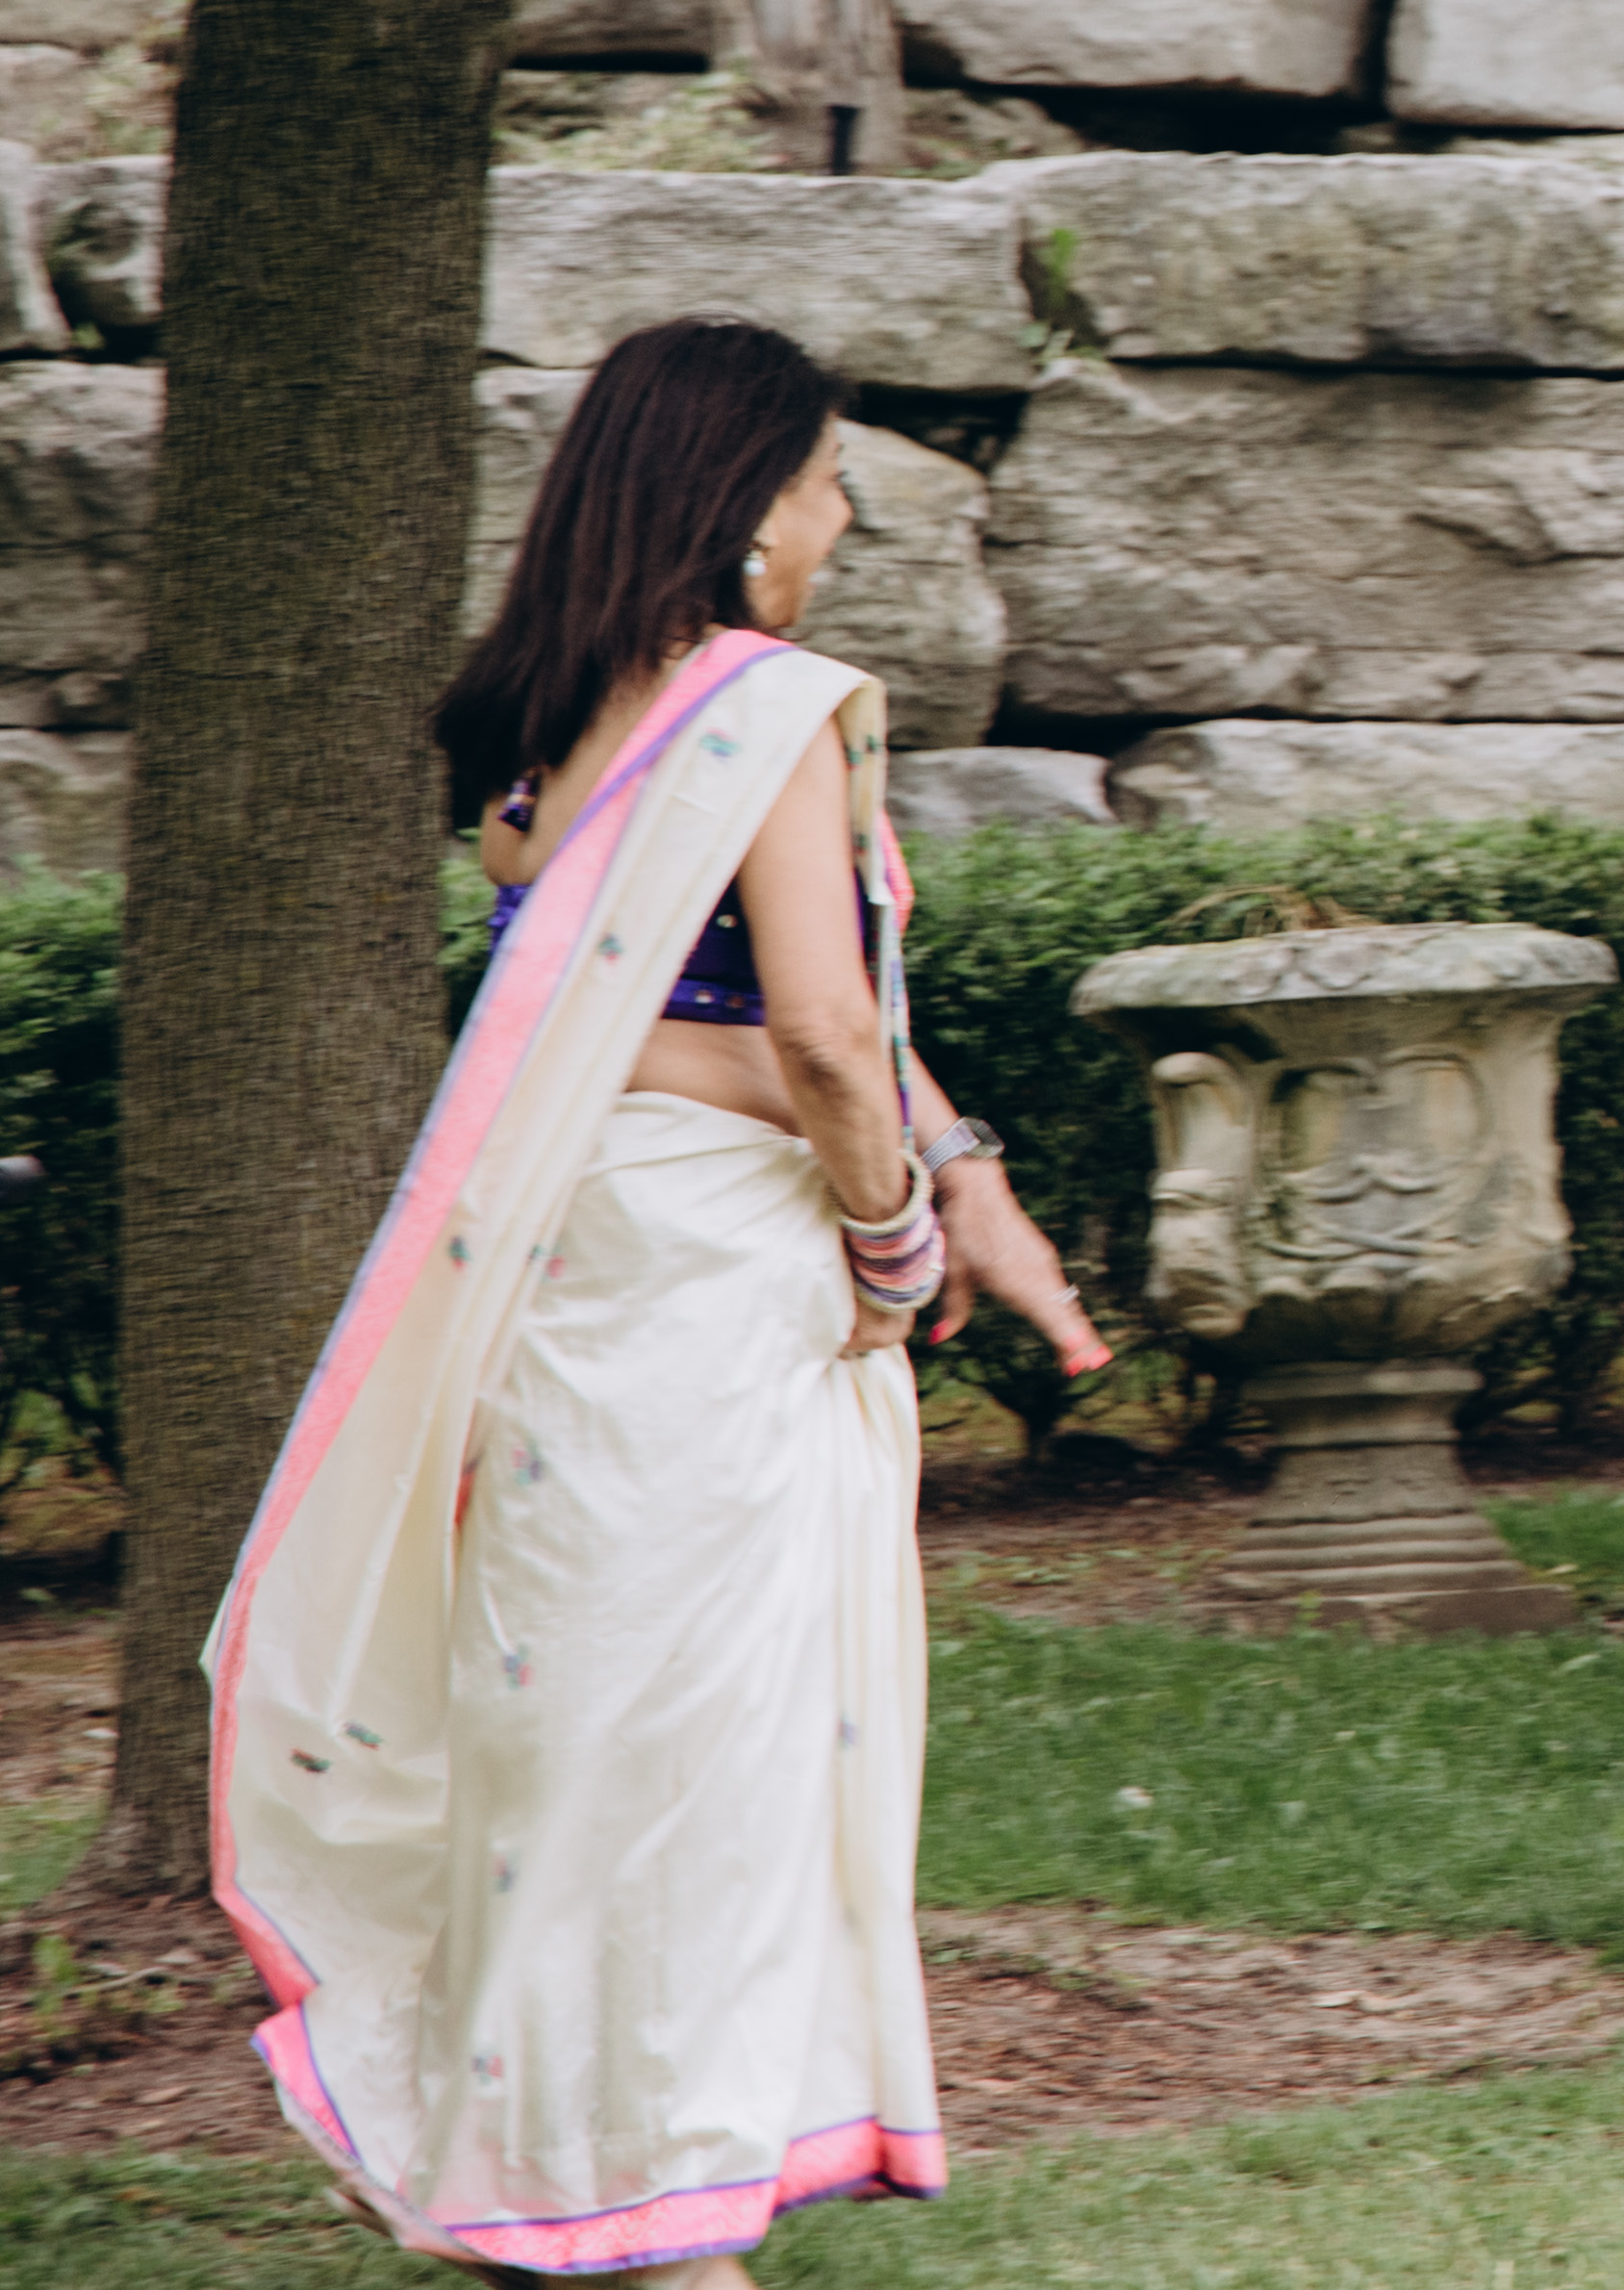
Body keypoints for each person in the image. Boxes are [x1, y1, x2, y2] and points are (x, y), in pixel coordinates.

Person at [211, 318, 1104, 2280]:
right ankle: (659, 2212)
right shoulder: (776, 709)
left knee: (569, 1719)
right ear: (745, 501)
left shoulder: (543, 730)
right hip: (714, 1282)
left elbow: (678, 1024)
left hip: (571, 1259)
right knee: (698, 1739)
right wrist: (892, 1244)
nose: (842, 517)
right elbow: (820, 1036)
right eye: (827, 480)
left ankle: (533, 2154)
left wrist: (970, 1177)